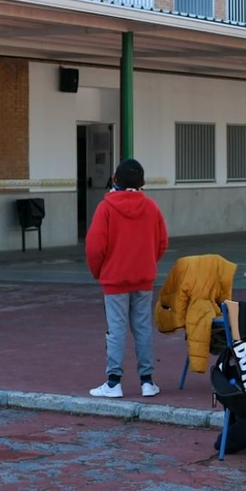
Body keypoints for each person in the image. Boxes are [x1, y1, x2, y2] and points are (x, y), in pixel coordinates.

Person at [86, 157, 169, 398]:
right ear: (142, 182)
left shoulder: (106, 208)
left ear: (114, 180)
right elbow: (162, 242)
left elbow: (94, 247)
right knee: (142, 328)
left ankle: (113, 382)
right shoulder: (152, 207)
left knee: (116, 330)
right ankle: (147, 381)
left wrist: (99, 272)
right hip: (144, 279)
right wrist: (147, 262)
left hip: (114, 280)